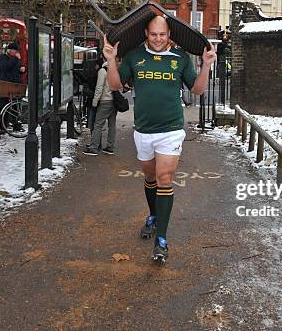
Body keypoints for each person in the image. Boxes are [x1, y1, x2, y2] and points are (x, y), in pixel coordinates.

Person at [103, 15, 216, 263]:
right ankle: (153, 214)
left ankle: (161, 240)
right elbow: (115, 84)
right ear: (146, 33)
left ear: (169, 34)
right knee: (150, 177)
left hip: (171, 128)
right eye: (154, 34)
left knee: (165, 179)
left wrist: (206, 64)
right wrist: (111, 60)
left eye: (162, 34)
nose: (158, 39)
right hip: (143, 129)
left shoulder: (180, 58)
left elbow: (197, 90)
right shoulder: (133, 56)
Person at [83, 59, 117, 155]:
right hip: (114, 101)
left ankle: (94, 147)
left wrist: (95, 102)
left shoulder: (103, 71)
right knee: (112, 125)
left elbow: (99, 87)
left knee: (98, 124)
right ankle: (110, 147)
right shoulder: (116, 70)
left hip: (105, 100)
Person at [0, 43, 25, 132]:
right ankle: (3, 125)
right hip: (6, 84)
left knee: (16, 106)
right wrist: (15, 58)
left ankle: (16, 124)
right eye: (15, 50)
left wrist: (22, 70)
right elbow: (5, 67)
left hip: (16, 84)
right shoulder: (3, 57)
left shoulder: (15, 58)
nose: (16, 52)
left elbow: (18, 68)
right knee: (4, 104)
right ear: (10, 50)